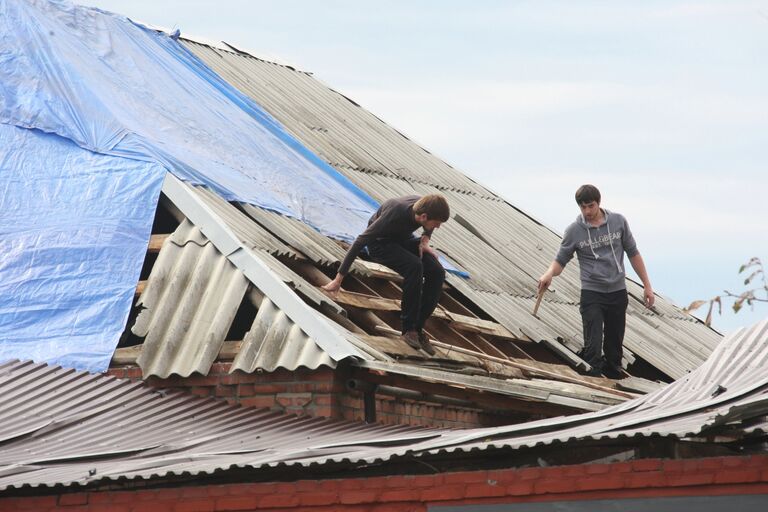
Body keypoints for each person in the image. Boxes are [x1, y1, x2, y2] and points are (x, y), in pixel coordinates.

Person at [538, 185, 654, 379]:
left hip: (617, 291)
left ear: (599, 203)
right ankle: (593, 377)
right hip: (592, 292)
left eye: (590, 206)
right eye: (582, 207)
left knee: (614, 345)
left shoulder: (618, 222)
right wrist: (548, 274)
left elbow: (633, 253)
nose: (587, 212)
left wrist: (647, 286)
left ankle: (614, 378)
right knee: (593, 343)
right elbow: (560, 260)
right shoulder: (574, 231)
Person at [323, 194, 450, 355]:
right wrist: (338, 279)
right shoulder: (395, 213)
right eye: (437, 223)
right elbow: (360, 241)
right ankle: (409, 328)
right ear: (424, 216)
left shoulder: (426, 206)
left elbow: (429, 226)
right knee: (414, 266)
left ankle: (418, 328)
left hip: (402, 239)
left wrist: (424, 241)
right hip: (380, 245)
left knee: (438, 272)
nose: (437, 226)